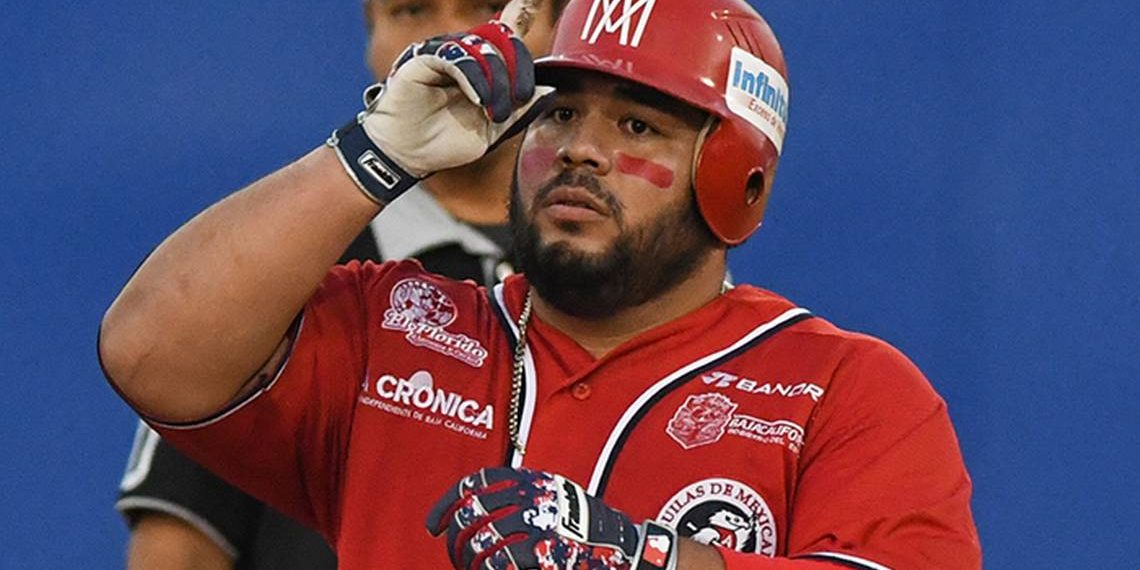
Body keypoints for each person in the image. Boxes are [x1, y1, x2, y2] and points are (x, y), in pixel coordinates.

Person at [100, 0, 982, 568]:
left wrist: (651, 562)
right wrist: (370, 155)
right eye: (557, 113)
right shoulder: (393, 322)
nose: (580, 149)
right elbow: (149, 353)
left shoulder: (847, 391)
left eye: (637, 123)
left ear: (738, 179)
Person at [115, 1, 566, 568]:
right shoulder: (284, 277)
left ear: (562, 28)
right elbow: (178, 545)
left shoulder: (632, 279)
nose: (458, 39)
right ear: (372, 45)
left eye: (484, 7)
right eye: (411, 11)